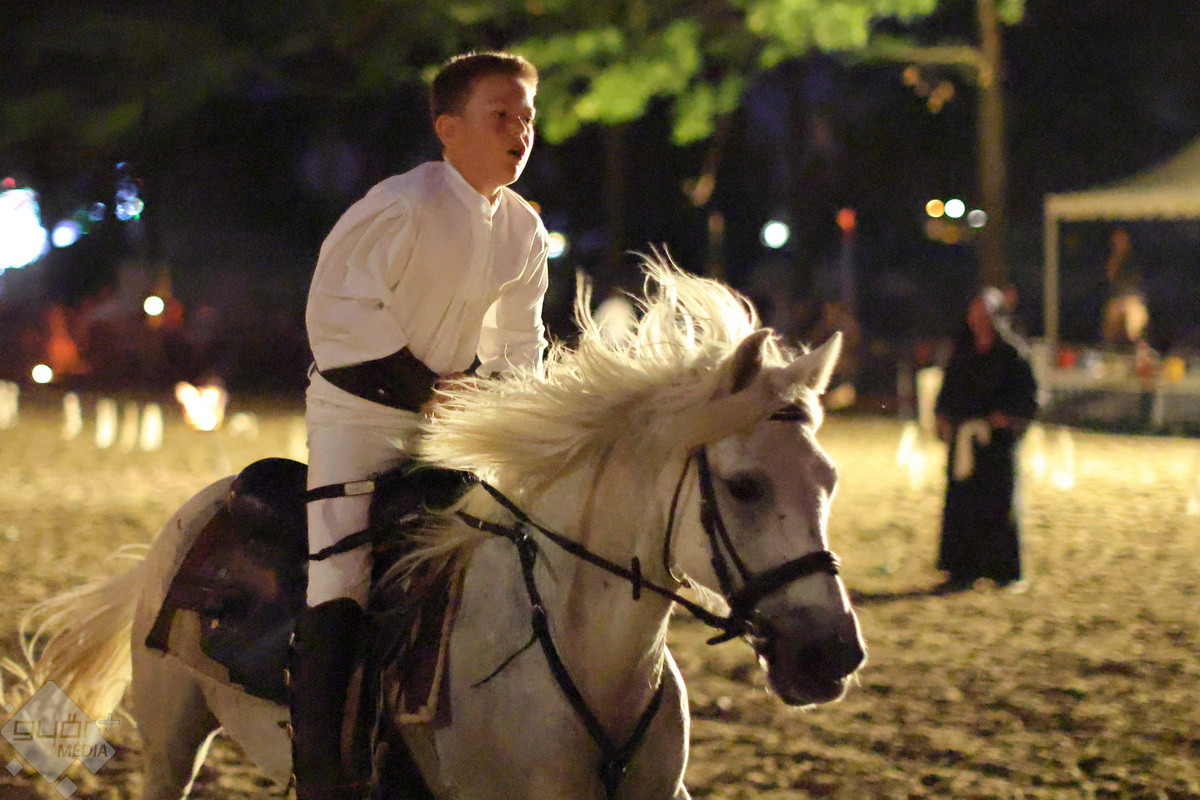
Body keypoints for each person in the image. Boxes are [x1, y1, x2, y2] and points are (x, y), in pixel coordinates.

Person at [294, 51, 548, 799]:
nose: (520, 133)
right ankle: (321, 773)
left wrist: (498, 406)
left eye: (528, 118)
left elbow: (519, 345)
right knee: (340, 574)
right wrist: (424, 389)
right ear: (447, 127)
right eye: (501, 116)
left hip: (449, 425)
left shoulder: (524, 230)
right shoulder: (400, 204)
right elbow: (337, 312)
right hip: (357, 418)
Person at [934, 288, 1038, 593]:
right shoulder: (961, 352)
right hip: (964, 441)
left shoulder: (1012, 354)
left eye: (985, 314)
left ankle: (1003, 571)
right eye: (975, 313)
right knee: (961, 504)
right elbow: (947, 391)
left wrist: (1008, 417)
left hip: (996, 444)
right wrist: (942, 416)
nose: (979, 320)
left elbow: (1028, 398)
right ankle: (961, 570)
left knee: (997, 505)